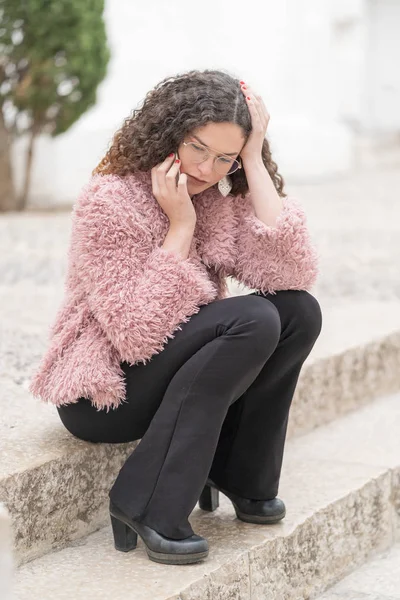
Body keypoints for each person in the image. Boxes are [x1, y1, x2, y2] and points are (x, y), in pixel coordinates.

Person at [29, 69, 322, 566]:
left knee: (297, 312)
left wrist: (252, 159)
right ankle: (144, 501)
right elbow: (134, 332)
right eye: (198, 148)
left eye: (224, 157)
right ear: (169, 132)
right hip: (103, 392)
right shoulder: (110, 200)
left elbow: (291, 271)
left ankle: (238, 473)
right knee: (252, 318)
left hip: (168, 374)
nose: (208, 169)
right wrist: (179, 228)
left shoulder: (212, 198)